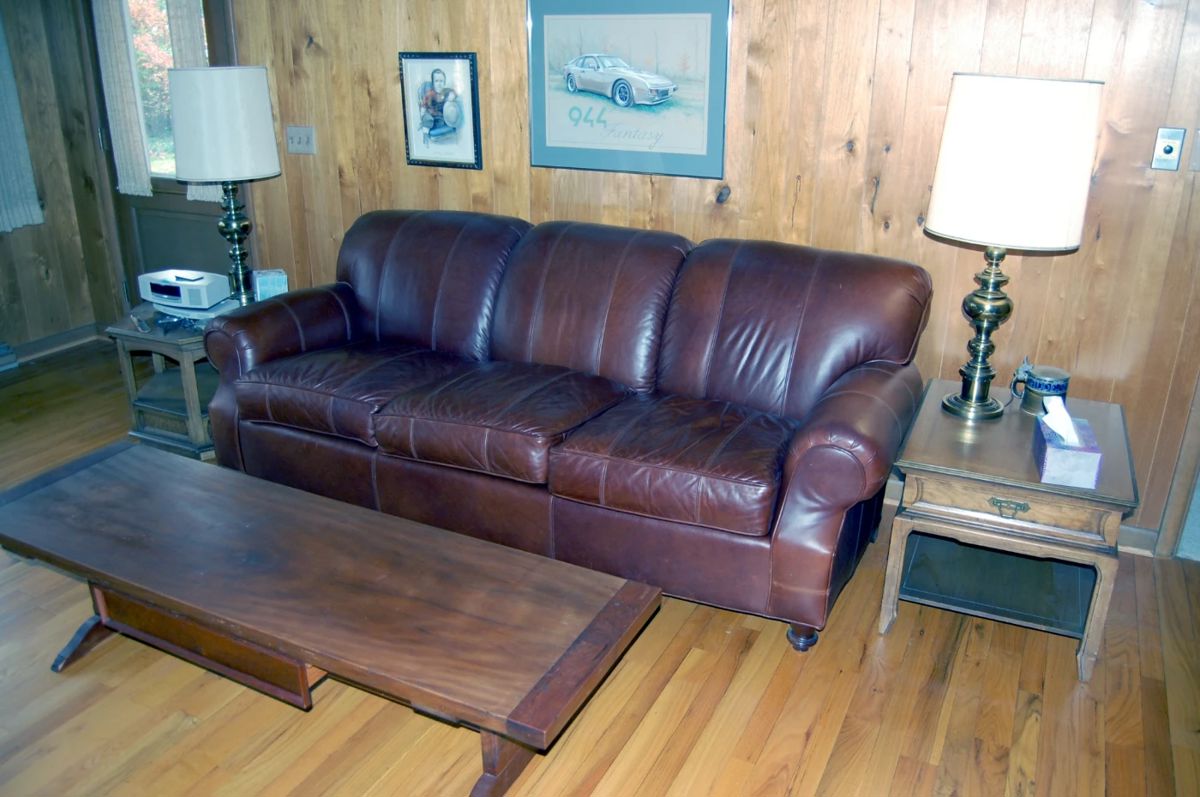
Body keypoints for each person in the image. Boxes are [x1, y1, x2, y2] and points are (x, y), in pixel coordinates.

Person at [419, 69, 459, 143]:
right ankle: (425, 135)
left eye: (441, 81)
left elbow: (454, 92)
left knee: (450, 118)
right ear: (433, 83)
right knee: (427, 120)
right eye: (436, 81)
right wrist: (422, 115)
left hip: (442, 117)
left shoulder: (446, 91)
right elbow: (423, 106)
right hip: (431, 116)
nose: (439, 84)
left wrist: (452, 95)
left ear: (444, 82)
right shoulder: (430, 94)